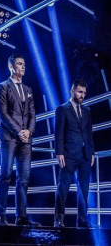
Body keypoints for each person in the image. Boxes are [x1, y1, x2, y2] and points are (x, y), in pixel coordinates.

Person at [0, 53, 40, 227]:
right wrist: (19, 131)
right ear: (11, 66)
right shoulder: (2, 87)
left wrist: (29, 131)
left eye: (24, 64)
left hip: (26, 139)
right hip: (9, 137)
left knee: (24, 177)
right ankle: (1, 215)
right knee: (5, 174)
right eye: (20, 64)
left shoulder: (28, 90)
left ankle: (21, 216)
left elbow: (32, 113)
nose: (23, 67)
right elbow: (2, 114)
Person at [54, 80, 95, 228]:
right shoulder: (62, 109)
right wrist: (59, 152)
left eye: (84, 92)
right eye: (79, 92)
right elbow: (58, 133)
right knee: (63, 187)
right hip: (68, 154)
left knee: (84, 189)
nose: (82, 95)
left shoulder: (87, 111)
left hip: (85, 155)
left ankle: (82, 220)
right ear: (72, 91)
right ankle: (58, 219)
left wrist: (92, 152)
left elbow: (89, 133)